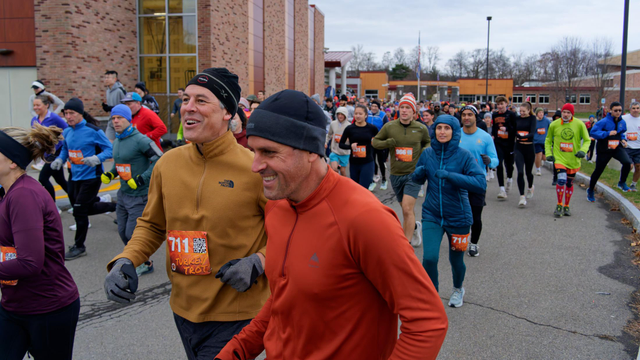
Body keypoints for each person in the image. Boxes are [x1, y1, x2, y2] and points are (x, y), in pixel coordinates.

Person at [215, 89, 448, 360]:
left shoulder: (365, 218)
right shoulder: (278, 206)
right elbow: (283, 300)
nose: (255, 166)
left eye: (269, 152)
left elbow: (427, 321)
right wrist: (236, 352)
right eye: (253, 151)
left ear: (311, 151)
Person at [103, 68, 269, 360]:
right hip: (183, 309)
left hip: (238, 314)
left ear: (228, 112)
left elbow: (293, 234)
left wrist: (259, 261)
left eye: (202, 100)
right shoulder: (168, 164)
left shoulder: (254, 168)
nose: (187, 107)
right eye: (187, 99)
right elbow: (153, 224)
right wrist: (126, 259)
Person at [0, 125, 80, 360]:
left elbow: (29, 263)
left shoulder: (24, 195)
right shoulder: (7, 192)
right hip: (14, 305)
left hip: (48, 308)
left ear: (12, 161)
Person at [412, 115, 486, 307]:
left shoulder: (464, 156)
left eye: (447, 128)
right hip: (432, 215)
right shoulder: (427, 154)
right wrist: (418, 175)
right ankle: (432, 295)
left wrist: (452, 176)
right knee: (429, 258)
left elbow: (480, 183)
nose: (442, 132)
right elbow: (417, 179)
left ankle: (457, 289)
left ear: (454, 132)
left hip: (459, 217)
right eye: (439, 128)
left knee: (456, 260)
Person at [99, 104, 163, 275]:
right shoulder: (118, 140)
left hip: (139, 195)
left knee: (131, 233)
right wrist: (111, 174)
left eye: (119, 118)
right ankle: (137, 259)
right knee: (122, 231)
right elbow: (119, 164)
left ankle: (145, 262)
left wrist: (142, 179)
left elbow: (159, 158)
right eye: (113, 118)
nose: (116, 121)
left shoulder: (141, 140)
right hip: (123, 193)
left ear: (129, 119)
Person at [50, 98, 116, 260]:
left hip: (91, 177)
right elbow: (66, 149)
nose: (68, 116)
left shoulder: (93, 130)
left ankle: (79, 246)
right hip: (74, 176)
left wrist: (96, 158)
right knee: (82, 207)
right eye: (66, 113)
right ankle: (117, 206)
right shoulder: (67, 131)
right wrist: (60, 159)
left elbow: (110, 150)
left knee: (79, 211)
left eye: (72, 113)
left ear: (80, 114)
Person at [372, 93, 430, 246]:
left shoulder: (420, 128)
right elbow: (375, 142)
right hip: (396, 174)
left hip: (414, 174)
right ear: (398, 110)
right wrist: (388, 143)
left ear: (413, 112)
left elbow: (428, 143)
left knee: (406, 208)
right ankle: (415, 227)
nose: (404, 111)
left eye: (408, 108)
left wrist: (425, 151)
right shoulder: (390, 126)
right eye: (402, 107)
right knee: (405, 210)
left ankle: (406, 245)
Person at [458, 106, 498, 257]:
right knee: (459, 215)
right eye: (464, 115)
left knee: (475, 216)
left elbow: (495, 160)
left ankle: (473, 244)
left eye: (470, 115)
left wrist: (490, 161)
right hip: (458, 181)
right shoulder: (456, 135)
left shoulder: (485, 137)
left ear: (476, 118)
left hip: (477, 181)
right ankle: (460, 240)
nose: (466, 117)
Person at [545, 103, 590, 217]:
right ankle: (559, 204)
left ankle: (566, 206)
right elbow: (548, 139)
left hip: (573, 159)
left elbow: (587, 140)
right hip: (559, 158)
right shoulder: (554, 124)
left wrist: (583, 151)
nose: (565, 114)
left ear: (572, 114)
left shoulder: (579, 124)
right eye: (564, 112)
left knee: (569, 183)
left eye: (568, 113)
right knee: (561, 180)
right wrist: (549, 153)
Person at [587, 101, 632, 200]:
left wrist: (623, 139)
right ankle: (590, 190)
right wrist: (607, 133)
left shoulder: (622, 122)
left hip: (616, 147)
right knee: (598, 171)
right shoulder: (603, 122)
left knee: (627, 162)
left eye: (620, 110)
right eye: (616, 110)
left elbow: (621, 133)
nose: (618, 112)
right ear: (610, 110)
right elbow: (593, 132)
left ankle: (622, 182)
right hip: (604, 149)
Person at [31, 95, 69, 209]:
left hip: (56, 153)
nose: (35, 107)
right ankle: (76, 201)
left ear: (46, 105)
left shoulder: (54, 118)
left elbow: (67, 131)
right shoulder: (34, 120)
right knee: (60, 180)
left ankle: (52, 207)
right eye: (34, 105)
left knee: (43, 178)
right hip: (46, 154)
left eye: (38, 105)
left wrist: (62, 146)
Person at [339, 105, 378, 187]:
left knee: (364, 188)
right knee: (355, 189)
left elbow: (380, 142)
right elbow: (341, 144)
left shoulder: (372, 128)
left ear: (366, 115)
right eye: (356, 113)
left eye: (360, 114)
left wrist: (375, 143)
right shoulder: (349, 128)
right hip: (354, 163)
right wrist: (350, 147)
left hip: (367, 162)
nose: (358, 116)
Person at [492, 96, 517, 199]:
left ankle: (510, 178)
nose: (500, 106)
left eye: (502, 104)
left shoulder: (511, 114)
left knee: (509, 165)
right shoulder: (495, 115)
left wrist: (507, 129)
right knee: (499, 164)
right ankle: (501, 189)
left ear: (506, 104)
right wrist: (493, 135)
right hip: (499, 143)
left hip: (509, 143)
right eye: (498, 104)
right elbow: (494, 127)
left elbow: (516, 128)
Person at [514, 101, 537, 207]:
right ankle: (522, 197)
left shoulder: (532, 119)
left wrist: (522, 136)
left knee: (528, 172)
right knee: (520, 172)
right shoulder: (517, 119)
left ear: (529, 110)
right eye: (520, 111)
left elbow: (532, 133)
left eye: (524, 111)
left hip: (529, 147)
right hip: (519, 147)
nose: (522, 113)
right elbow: (513, 129)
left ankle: (530, 186)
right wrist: (516, 135)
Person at [368, 99, 389, 190]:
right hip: (369, 141)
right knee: (372, 160)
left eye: (376, 106)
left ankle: (384, 179)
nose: (374, 108)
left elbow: (387, 128)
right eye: (372, 106)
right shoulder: (367, 114)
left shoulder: (383, 115)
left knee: (381, 161)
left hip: (379, 141)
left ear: (379, 107)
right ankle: (374, 178)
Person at [102, 70, 127, 141]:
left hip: (120, 121)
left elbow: (125, 106)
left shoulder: (120, 90)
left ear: (115, 79)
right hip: (111, 120)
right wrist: (105, 107)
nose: (106, 80)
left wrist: (111, 108)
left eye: (108, 78)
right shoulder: (108, 91)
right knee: (108, 142)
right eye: (105, 78)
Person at [326, 106, 350, 176]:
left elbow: (353, 138)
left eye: (342, 114)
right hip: (335, 150)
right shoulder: (333, 123)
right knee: (334, 169)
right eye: (338, 114)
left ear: (345, 115)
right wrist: (326, 142)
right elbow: (329, 134)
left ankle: (345, 183)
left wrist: (347, 140)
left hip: (344, 152)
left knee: (342, 171)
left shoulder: (349, 126)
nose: (340, 116)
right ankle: (337, 183)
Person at [623, 102, 640, 191]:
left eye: (637, 108)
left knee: (638, 167)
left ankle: (633, 184)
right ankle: (622, 182)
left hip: (638, 147)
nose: (635, 110)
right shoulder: (624, 118)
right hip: (627, 147)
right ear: (630, 109)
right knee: (629, 166)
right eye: (633, 108)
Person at [534, 107, 551, 176]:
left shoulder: (547, 121)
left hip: (545, 142)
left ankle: (539, 161)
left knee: (544, 158)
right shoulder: (534, 121)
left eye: (542, 113)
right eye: (539, 113)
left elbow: (550, 130)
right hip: (536, 142)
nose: (541, 114)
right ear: (537, 114)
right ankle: (538, 169)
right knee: (539, 154)